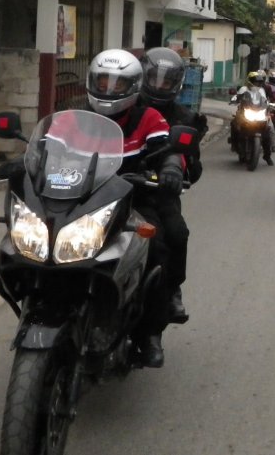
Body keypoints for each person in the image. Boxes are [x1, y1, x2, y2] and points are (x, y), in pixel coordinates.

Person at [86, 48, 183, 368]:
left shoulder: (148, 118)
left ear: (131, 87)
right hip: (84, 201)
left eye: (117, 85)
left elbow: (165, 148)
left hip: (135, 201)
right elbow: (51, 145)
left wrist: (170, 168)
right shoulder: (80, 118)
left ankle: (149, 334)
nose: (108, 90)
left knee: (155, 250)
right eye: (103, 82)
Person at [138, 47, 209, 327]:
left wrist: (178, 172)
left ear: (176, 84)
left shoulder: (185, 118)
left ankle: (170, 292)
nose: (158, 86)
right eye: (154, 79)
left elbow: (194, 167)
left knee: (176, 235)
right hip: (110, 186)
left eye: (166, 82)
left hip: (157, 193)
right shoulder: (126, 106)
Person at [232, 70, 275, 165]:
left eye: (258, 82)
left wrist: (270, 104)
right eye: (255, 81)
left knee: (268, 130)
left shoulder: (261, 90)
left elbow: (265, 101)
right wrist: (234, 99)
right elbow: (236, 97)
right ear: (250, 81)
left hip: (258, 113)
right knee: (234, 123)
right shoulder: (243, 89)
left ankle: (267, 156)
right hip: (245, 112)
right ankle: (234, 144)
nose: (257, 83)